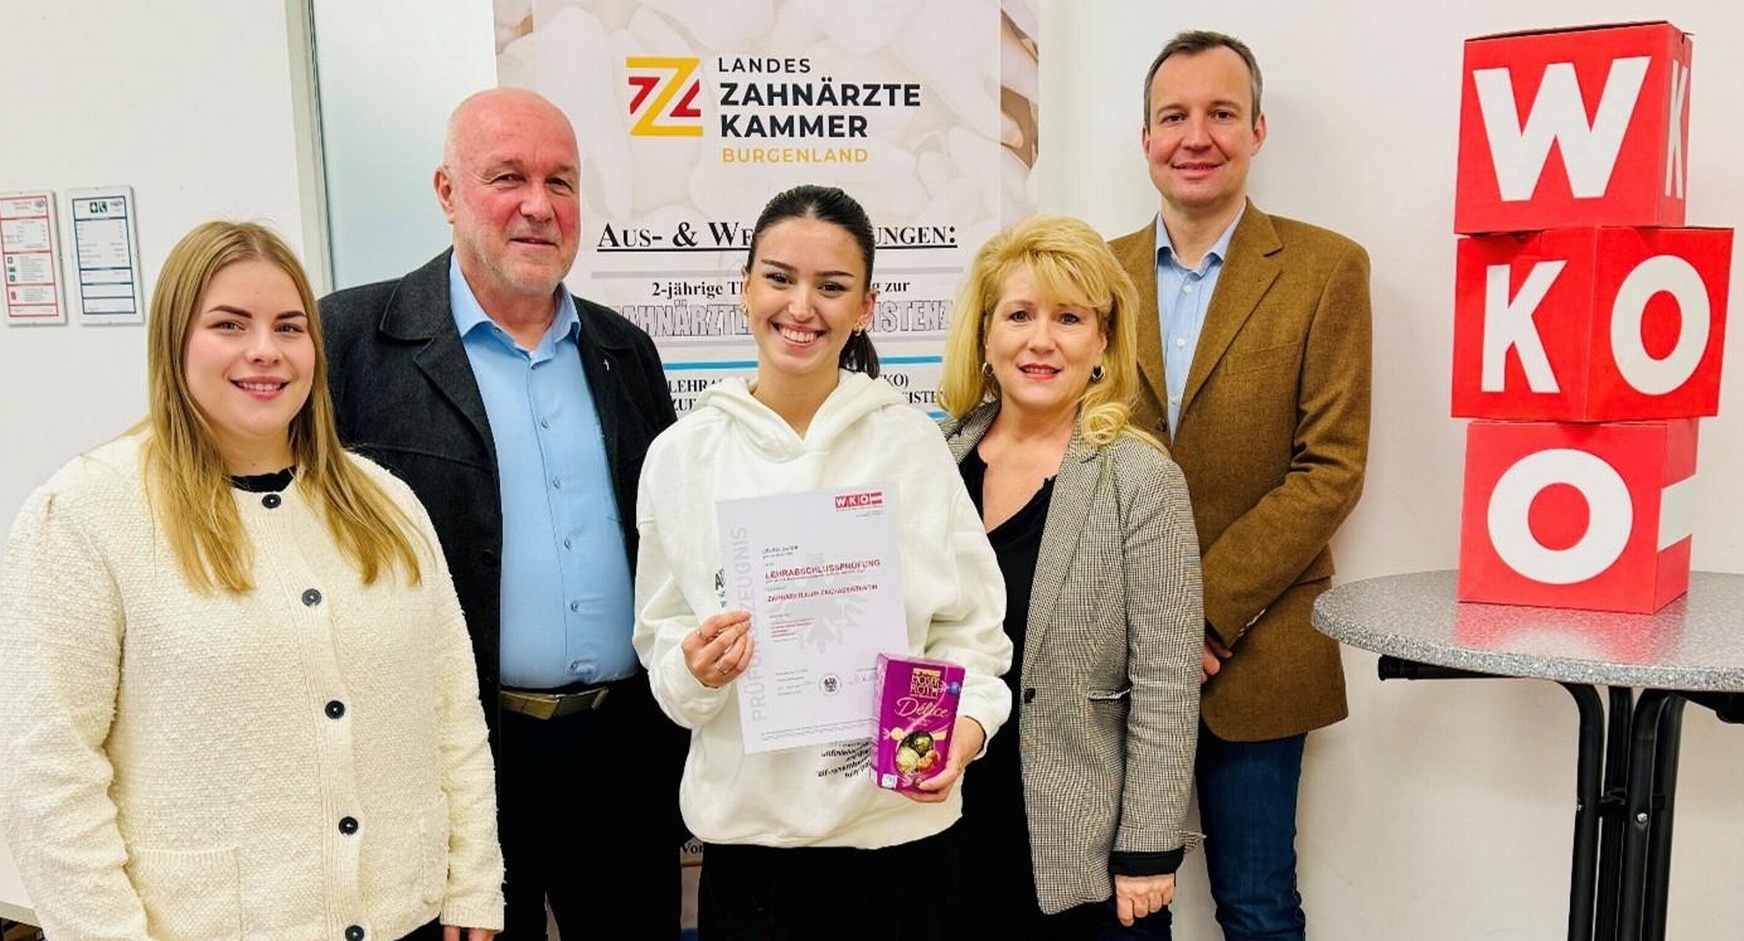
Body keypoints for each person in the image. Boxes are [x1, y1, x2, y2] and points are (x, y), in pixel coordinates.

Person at [0, 221, 503, 941]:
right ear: (175, 340)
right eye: (229, 324)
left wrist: (474, 885)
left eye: (289, 327)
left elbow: (452, 709)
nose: (265, 349)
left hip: (410, 917)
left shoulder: (388, 504)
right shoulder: (85, 514)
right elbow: (47, 773)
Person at [320, 87, 685, 939]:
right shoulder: (351, 342)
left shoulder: (624, 350)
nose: (538, 205)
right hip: (455, 765)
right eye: (507, 177)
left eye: (561, 181)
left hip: (622, 760)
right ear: (447, 192)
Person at [632, 184, 1013, 940]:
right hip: (752, 853)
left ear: (866, 306)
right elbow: (664, 651)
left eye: (832, 286)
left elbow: (970, 633)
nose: (801, 306)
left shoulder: (910, 445)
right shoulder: (681, 457)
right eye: (779, 278)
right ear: (744, 286)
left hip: (901, 840)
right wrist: (696, 670)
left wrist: (963, 732)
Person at [1108, 30, 1373, 941]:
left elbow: (1330, 466)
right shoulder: (1093, 275)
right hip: (1114, 647)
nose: (1197, 135)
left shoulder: (1327, 268)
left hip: (1254, 646)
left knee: (1257, 905)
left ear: (1256, 130)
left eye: (1221, 113)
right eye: (1174, 116)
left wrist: (1203, 614)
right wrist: (1149, 623)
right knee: (1119, 903)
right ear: (1145, 138)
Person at [938, 215, 1203, 940]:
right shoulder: (932, 459)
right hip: (938, 832)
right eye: (1019, 315)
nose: (1041, 340)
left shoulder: (1140, 477)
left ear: (1104, 341)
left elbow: (1168, 680)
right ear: (986, 334)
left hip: (1079, 852)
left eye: (1069, 318)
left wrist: (1148, 848)